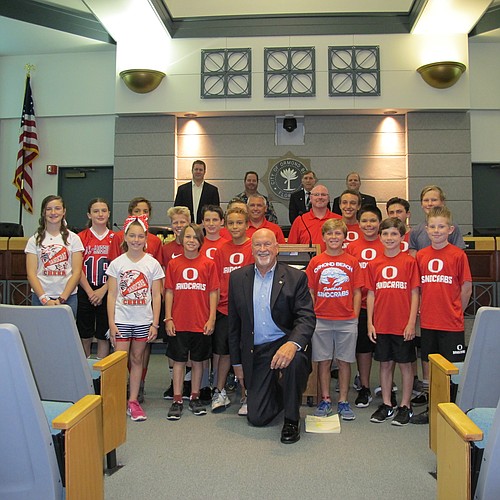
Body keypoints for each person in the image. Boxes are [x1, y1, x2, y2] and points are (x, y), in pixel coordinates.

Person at [228, 229, 316, 444]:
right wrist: (237, 363)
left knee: (294, 361)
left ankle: (291, 420)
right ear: (251, 250)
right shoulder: (238, 278)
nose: (263, 249)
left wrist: (292, 344)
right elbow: (234, 325)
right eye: (258, 245)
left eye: (267, 244)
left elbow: (306, 318)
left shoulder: (296, 277)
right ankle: (279, 391)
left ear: (277, 248)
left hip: (284, 343)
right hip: (256, 349)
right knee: (257, 418)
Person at [411, 206, 472, 425]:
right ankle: (432, 408)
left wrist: (457, 310)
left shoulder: (458, 255)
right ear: (426, 229)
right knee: (432, 367)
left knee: (453, 369)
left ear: (450, 229)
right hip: (428, 322)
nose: (437, 231)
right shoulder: (421, 256)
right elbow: (416, 289)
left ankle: (453, 411)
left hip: (452, 324)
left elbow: (466, 288)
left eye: (441, 227)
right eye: (433, 227)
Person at [106, 215, 164, 422]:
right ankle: (116, 399)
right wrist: (112, 323)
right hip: (122, 320)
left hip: (143, 320)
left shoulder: (153, 264)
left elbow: (156, 295)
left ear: (146, 238)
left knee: (137, 359)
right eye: (132, 235)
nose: (136, 240)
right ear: (125, 237)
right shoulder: (116, 264)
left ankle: (133, 401)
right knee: (119, 362)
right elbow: (112, 295)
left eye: (140, 236)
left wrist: (155, 323)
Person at [306, 219, 363, 421]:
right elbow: (311, 291)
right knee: (323, 361)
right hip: (321, 319)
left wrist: (354, 315)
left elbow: (357, 292)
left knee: (345, 360)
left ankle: (344, 400)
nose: (333, 237)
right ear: (323, 237)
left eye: (338, 234)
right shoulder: (316, 262)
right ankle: (326, 399)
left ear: (344, 238)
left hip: (346, 319)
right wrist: (312, 313)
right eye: (329, 234)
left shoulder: (352, 262)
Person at [366, 217, 420, 426]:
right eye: (385, 234)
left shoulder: (409, 262)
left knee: (406, 365)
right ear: (380, 237)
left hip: (402, 324)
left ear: (402, 237)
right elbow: (371, 294)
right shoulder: (374, 263)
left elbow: (415, 294)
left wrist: (410, 323)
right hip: (381, 323)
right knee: (385, 364)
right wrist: (370, 323)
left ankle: (405, 405)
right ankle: (387, 404)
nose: (389, 238)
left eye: (394, 234)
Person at [165, 224, 219, 420]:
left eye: (195, 238)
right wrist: (168, 317)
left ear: (200, 241)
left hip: (200, 321)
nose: (190, 240)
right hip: (178, 322)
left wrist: (211, 318)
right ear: (181, 239)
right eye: (187, 237)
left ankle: (194, 396)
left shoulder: (208, 264)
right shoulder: (173, 264)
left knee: (198, 362)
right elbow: (169, 291)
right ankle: (177, 398)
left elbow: (213, 292)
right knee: (179, 361)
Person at [212, 207, 254, 414]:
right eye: (231, 223)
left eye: (239, 223)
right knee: (224, 352)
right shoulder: (221, 249)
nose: (235, 227)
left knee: (246, 352)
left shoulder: (253, 247)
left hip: (247, 309)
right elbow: (216, 280)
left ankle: (247, 395)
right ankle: (219, 392)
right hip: (224, 309)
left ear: (247, 225)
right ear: (226, 226)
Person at [346, 205, 386, 408]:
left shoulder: (387, 243)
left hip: (384, 306)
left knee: (386, 350)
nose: (369, 225)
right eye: (364, 221)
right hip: (361, 306)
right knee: (363, 349)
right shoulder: (352, 247)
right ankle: (364, 386)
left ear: (379, 223)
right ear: (358, 224)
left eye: (373, 221)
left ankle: (386, 388)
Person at [25, 195, 84, 318]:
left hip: (68, 298)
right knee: (41, 335)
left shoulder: (74, 238)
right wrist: (44, 299)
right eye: (48, 209)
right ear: (43, 212)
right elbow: (31, 274)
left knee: (65, 335)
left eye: (57, 208)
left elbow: (77, 272)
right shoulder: (34, 240)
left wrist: (62, 299)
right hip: (40, 297)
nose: (53, 212)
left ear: (64, 211)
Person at [77, 198, 114, 358]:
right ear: (89, 214)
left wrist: (102, 291)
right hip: (86, 289)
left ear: (109, 214)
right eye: (96, 211)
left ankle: (100, 375)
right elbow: (76, 267)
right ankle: (85, 372)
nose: (100, 214)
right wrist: (90, 291)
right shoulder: (80, 237)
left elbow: (118, 269)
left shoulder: (116, 238)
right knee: (84, 334)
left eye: (104, 210)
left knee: (103, 335)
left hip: (107, 290)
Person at [409, 185, 465, 255]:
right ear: (421, 204)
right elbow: (413, 258)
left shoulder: (451, 227)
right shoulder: (415, 230)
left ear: (442, 203)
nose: (429, 204)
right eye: (426, 200)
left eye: (434, 200)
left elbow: (459, 253)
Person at [108, 197, 163, 265]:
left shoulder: (156, 241)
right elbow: (113, 265)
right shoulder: (118, 237)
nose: (141, 214)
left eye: (145, 211)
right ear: (130, 214)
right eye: (137, 211)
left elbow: (159, 268)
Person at [287, 184, 341, 252]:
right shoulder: (300, 220)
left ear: (328, 198)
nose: (320, 197)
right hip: (306, 261)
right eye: (316, 195)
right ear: (310, 198)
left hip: (333, 261)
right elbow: (291, 248)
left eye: (323, 195)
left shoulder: (339, 220)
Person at [174, 160, 220, 224]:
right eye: (196, 169)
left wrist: (202, 225)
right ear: (192, 171)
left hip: (206, 228)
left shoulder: (212, 190)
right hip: (186, 228)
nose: (198, 172)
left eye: (200, 170)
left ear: (204, 172)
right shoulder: (182, 189)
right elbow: (177, 210)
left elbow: (216, 212)